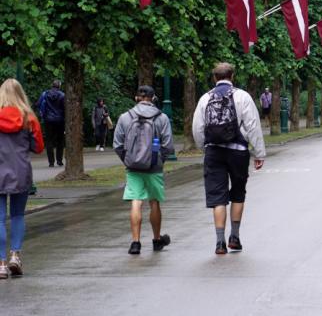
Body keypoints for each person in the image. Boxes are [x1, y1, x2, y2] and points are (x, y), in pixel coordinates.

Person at [193, 63, 266, 255]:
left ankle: (219, 242)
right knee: (238, 193)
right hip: (238, 151)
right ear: (232, 76)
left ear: (214, 78)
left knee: (218, 197)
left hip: (213, 152)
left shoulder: (205, 98)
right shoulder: (242, 96)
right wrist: (259, 153)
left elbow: (198, 129)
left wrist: (205, 148)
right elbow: (252, 126)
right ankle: (235, 236)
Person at [113, 85, 175, 255]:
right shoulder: (161, 118)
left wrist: (128, 159)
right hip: (154, 166)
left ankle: (135, 242)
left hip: (133, 167)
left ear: (136, 98)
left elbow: (117, 144)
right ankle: (156, 240)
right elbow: (168, 145)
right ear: (153, 98)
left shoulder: (125, 117)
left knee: (136, 201)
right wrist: (158, 160)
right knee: (154, 201)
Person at [0, 79, 44, 278]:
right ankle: (15, 255)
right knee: (18, 215)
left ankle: (0, 263)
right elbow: (38, 147)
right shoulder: (29, 118)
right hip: (20, 171)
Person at [38, 80, 65, 167]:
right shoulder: (62, 95)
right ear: (59, 86)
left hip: (48, 120)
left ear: (52, 85)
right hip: (60, 120)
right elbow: (65, 108)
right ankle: (59, 161)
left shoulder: (45, 94)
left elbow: (38, 104)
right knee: (60, 141)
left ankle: (51, 162)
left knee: (49, 141)